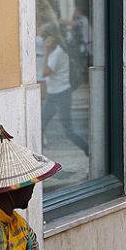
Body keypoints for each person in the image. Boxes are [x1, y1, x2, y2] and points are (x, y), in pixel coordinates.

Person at [40, 25, 88, 154]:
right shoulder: (57, 51)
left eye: (47, 37)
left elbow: (45, 72)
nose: (45, 41)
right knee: (40, 126)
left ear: (53, 38)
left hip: (61, 96)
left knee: (68, 131)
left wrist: (45, 52)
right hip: (53, 95)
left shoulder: (57, 53)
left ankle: (89, 150)